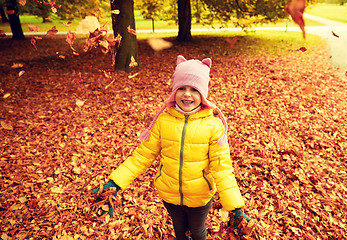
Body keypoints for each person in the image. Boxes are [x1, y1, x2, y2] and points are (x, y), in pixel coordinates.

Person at [92, 55, 253, 239]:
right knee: (179, 229)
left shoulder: (213, 126)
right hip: (169, 195)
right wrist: (115, 184)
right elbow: (142, 156)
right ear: (174, 91)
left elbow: (222, 168)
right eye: (181, 88)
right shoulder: (163, 121)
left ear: (203, 94)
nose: (187, 94)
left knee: (197, 230)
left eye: (194, 89)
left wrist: (235, 207)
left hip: (200, 197)